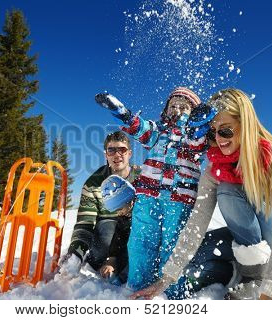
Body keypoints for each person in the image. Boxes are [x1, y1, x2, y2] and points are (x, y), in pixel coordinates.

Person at [130, 88, 272, 300]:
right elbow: (196, 224)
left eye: (226, 131)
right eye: (213, 131)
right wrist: (166, 279)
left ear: (246, 125)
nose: (219, 139)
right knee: (193, 258)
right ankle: (232, 270)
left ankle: (254, 277)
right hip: (242, 238)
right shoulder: (214, 171)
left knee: (228, 189)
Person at [95, 87, 217, 299]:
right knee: (141, 242)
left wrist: (198, 126)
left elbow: (197, 144)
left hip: (179, 201)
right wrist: (123, 113)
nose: (177, 110)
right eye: (173, 105)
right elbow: (140, 128)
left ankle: (171, 292)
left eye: (184, 107)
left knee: (173, 245)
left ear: (193, 113)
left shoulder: (195, 136)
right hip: (148, 197)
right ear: (166, 109)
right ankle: (137, 285)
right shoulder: (158, 132)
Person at [65, 131, 140, 272]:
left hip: (136, 229)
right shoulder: (93, 183)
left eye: (122, 150)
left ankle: (127, 266)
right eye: (111, 150)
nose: (117, 155)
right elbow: (85, 223)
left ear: (129, 153)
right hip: (106, 235)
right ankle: (99, 263)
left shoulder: (143, 178)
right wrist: (75, 253)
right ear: (106, 155)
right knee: (108, 226)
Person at [99, 175, 136, 286]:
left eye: (120, 209)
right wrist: (112, 259)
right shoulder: (124, 217)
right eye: (115, 211)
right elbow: (118, 239)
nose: (118, 213)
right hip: (129, 249)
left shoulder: (141, 212)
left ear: (130, 200)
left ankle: (126, 276)